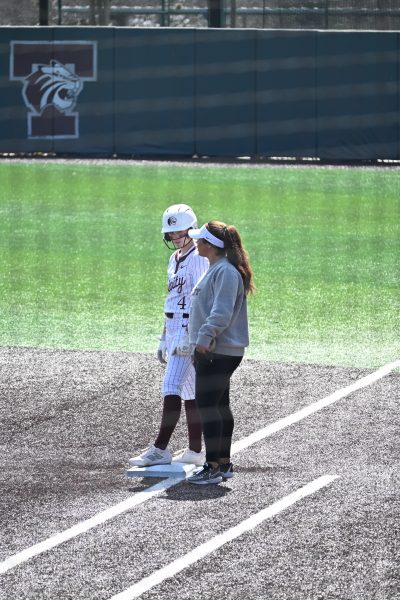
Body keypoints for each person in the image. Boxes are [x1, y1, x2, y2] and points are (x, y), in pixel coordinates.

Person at [129, 204, 209, 468]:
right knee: (189, 392)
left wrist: (195, 335)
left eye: (179, 231)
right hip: (174, 329)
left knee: (171, 385)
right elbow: (173, 299)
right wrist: (164, 337)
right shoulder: (174, 258)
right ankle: (196, 451)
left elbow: (200, 297)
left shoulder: (198, 257)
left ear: (191, 227)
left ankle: (160, 449)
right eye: (170, 233)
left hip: (189, 331)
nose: (174, 236)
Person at [186, 220, 255, 485]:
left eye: (200, 240)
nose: (196, 243)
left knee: (208, 407)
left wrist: (203, 339)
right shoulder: (218, 268)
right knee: (219, 406)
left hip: (217, 351)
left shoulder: (224, 272)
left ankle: (212, 466)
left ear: (210, 246)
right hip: (219, 350)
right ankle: (223, 464)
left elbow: (221, 312)